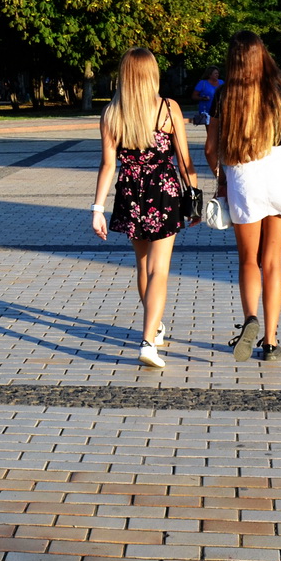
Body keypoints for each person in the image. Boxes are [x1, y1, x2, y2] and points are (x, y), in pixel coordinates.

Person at [204, 31, 281, 362]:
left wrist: (221, 183)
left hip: (243, 174)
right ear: (262, 56)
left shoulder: (223, 95)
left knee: (248, 260)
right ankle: (270, 342)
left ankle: (250, 320)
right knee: (272, 261)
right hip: (278, 170)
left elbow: (211, 149)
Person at [91, 48, 199, 369]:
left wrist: (97, 208)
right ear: (152, 74)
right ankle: (148, 341)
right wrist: (194, 202)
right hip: (164, 193)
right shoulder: (169, 109)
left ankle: (155, 327)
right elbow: (184, 162)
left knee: (143, 268)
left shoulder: (112, 114)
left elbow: (108, 165)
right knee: (159, 270)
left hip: (130, 193)